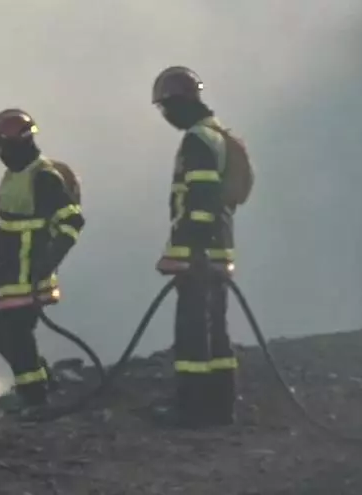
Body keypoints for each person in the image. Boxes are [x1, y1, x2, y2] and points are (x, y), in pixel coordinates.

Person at [0, 108, 85, 412]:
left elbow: (72, 222)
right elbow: (13, 226)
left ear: (17, 144)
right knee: (5, 332)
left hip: (29, 272)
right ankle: (38, 385)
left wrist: (48, 261)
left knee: (13, 332)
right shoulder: (15, 176)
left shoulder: (44, 177)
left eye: (1, 146)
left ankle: (35, 398)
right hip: (13, 270)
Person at [151, 66, 238, 428]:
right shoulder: (215, 134)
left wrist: (195, 252)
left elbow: (201, 200)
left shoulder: (197, 140)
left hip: (199, 255)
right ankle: (220, 408)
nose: (166, 116)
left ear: (179, 103)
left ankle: (192, 411)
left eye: (166, 108)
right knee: (216, 332)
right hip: (217, 251)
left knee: (191, 336)